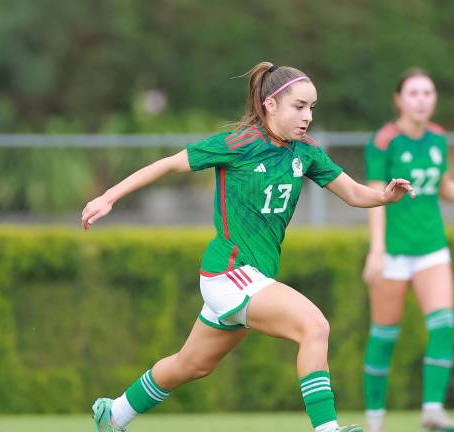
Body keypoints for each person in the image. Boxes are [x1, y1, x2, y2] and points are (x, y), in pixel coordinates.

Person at [81, 61, 416, 432]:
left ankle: (113, 414)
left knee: (192, 364)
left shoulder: (304, 152)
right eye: (299, 106)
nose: (307, 116)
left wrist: (384, 196)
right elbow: (168, 165)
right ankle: (327, 430)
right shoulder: (239, 144)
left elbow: (353, 193)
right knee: (314, 326)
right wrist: (108, 197)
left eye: (312, 108)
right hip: (231, 271)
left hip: (251, 278)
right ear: (270, 104)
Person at [361, 68, 454, 432]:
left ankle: (432, 410)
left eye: (428, 93)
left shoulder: (438, 138)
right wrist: (376, 250)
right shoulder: (384, 140)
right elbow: (376, 196)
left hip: (431, 248)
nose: (422, 99)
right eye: (413, 93)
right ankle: (375, 421)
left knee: (443, 325)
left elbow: (442, 184)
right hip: (393, 251)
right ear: (399, 100)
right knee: (384, 336)